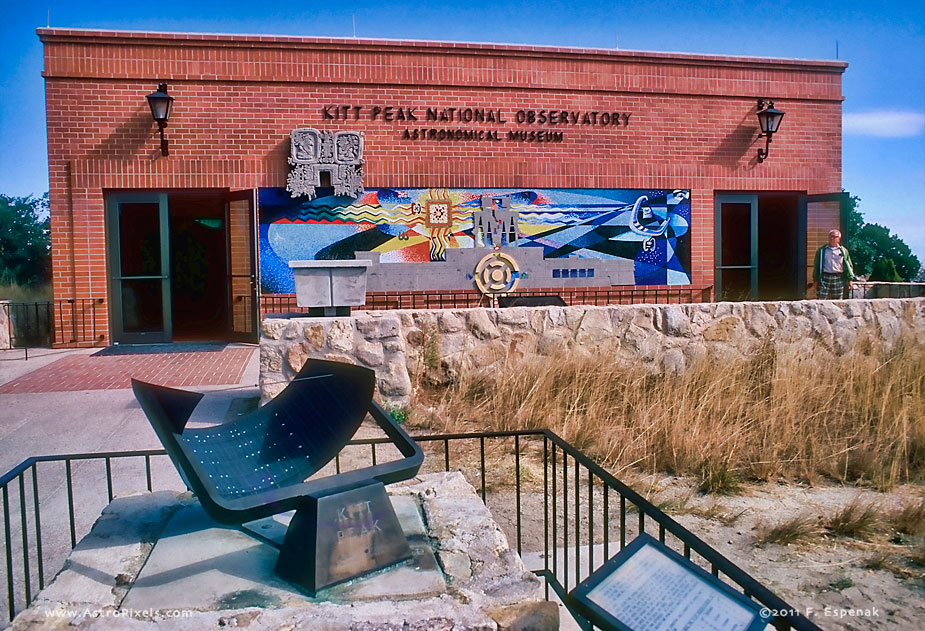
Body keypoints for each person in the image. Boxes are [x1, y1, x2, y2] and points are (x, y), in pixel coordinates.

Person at [813, 229, 856, 299]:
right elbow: (817, 265)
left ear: (839, 239)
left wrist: (850, 279)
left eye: (834, 236)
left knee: (837, 300)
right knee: (821, 299)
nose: (831, 238)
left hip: (838, 277)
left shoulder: (843, 251)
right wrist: (816, 280)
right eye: (830, 236)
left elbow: (849, 265)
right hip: (824, 277)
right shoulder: (822, 250)